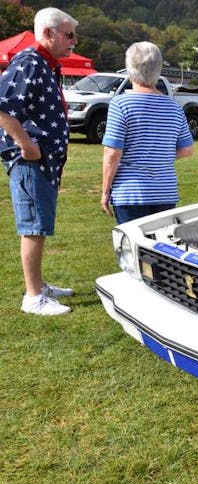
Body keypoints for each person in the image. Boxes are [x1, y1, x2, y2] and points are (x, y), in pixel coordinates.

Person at [0, 8, 78, 316]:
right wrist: (25, 144)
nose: (74, 41)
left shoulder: (45, 64)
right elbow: (2, 106)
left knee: (39, 225)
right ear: (48, 33)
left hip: (44, 163)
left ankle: (39, 285)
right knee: (32, 226)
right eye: (69, 34)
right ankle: (33, 296)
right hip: (31, 162)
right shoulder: (29, 62)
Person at [101, 41, 194, 225]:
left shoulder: (121, 105)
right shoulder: (174, 108)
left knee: (132, 250)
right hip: (165, 192)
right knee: (159, 249)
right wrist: (160, 155)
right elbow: (187, 150)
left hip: (131, 192)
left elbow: (112, 153)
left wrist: (105, 190)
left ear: (129, 69)